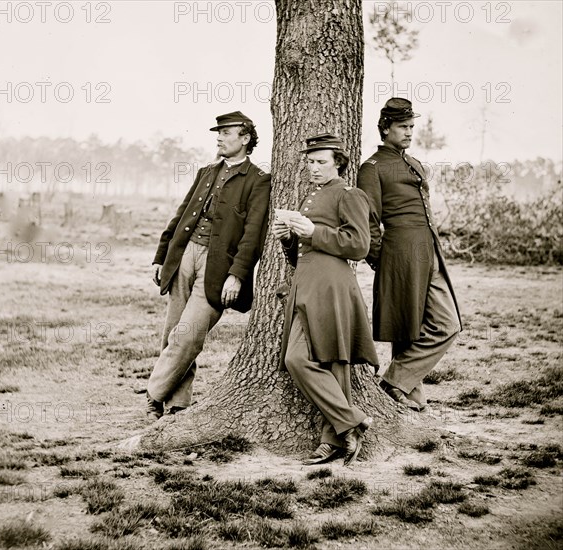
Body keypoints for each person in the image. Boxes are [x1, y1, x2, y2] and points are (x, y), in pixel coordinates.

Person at [146, 111, 271, 420]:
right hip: (184, 254)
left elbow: (253, 234)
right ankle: (177, 405)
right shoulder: (206, 172)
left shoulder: (258, 181)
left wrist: (237, 275)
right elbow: (181, 216)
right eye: (218, 133)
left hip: (218, 266)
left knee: (188, 335)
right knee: (174, 331)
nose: (219, 138)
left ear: (245, 139)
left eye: (226, 133)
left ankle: (152, 393)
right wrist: (162, 256)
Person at [273, 133, 379, 466]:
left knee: (335, 362)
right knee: (297, 358)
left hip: (333, 288)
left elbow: (359, 245)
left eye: (321, 162)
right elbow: (301, 254)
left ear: (338, 163)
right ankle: (353, 423)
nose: (313, 167)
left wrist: (313, 232)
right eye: (309, 161)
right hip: (307, 286)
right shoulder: (311, 196)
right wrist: (290, 239)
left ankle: (336, 439)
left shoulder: (350, 194)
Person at [357, 98, 461, 411]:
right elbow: (369, 220)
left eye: (412, 127)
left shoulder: (414, 164)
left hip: (430, 253)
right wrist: (380, 258)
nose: (409, 132)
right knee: (406, 327)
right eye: (403, 126)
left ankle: (393, 382)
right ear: (385, 128)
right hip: (400, 255)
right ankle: (410, 399)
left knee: (448, 324)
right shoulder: (371, 167)